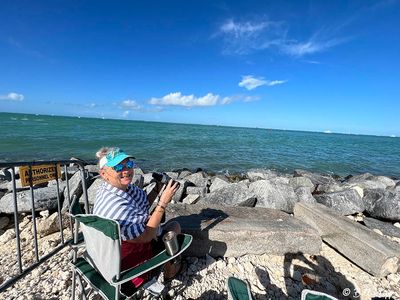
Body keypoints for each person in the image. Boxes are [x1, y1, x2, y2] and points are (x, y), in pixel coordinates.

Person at [93, 146, 182, 290]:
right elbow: (147, 236)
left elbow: (141, 204)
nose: (126, 170)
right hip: (131, 268)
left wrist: (158, 189)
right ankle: (170, 271)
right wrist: (163, 202)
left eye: (129, 164)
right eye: (118, 167)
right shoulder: (116, 206)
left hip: (107, 257)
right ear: (104, 173)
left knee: (162, 223)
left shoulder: (111, 190)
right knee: (174, 227)